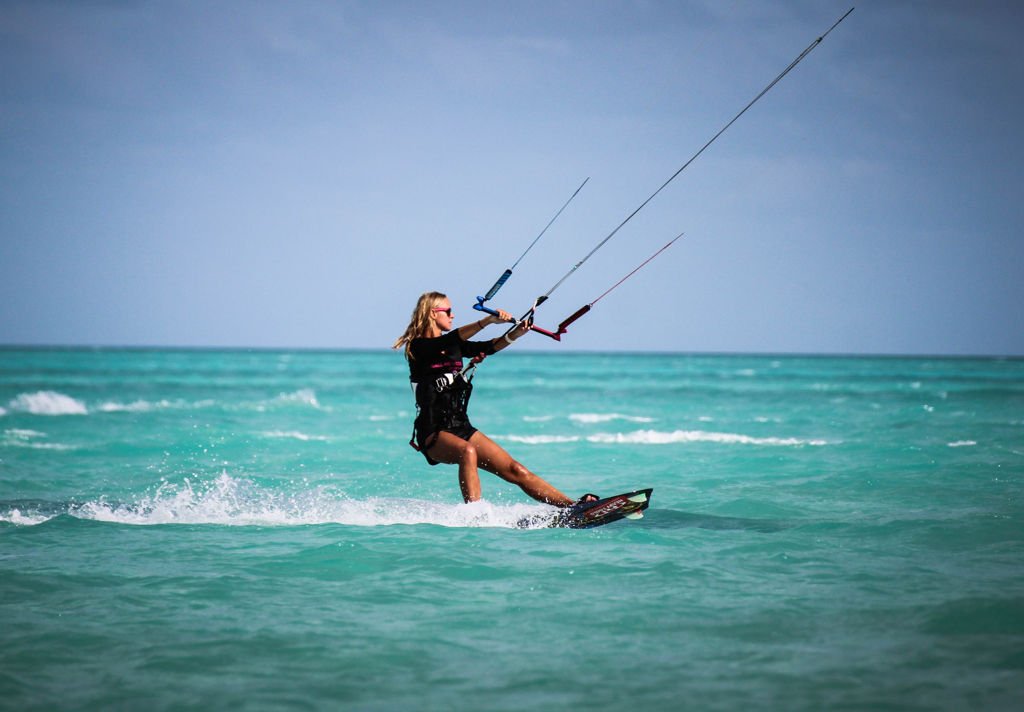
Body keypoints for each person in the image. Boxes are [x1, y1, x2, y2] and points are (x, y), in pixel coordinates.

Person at [393, 291, 596, 507]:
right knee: (467, 451)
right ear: (434, 314)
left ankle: (573, 507)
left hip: (460, 425)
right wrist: (488, 320)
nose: (452, 316)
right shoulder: (418, 346)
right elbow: (449, 340)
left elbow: (488, 347)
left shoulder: (453, 346)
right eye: (449, 311)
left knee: (516, 470)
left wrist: (515, 334)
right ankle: (474, 513)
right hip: (433, 432)